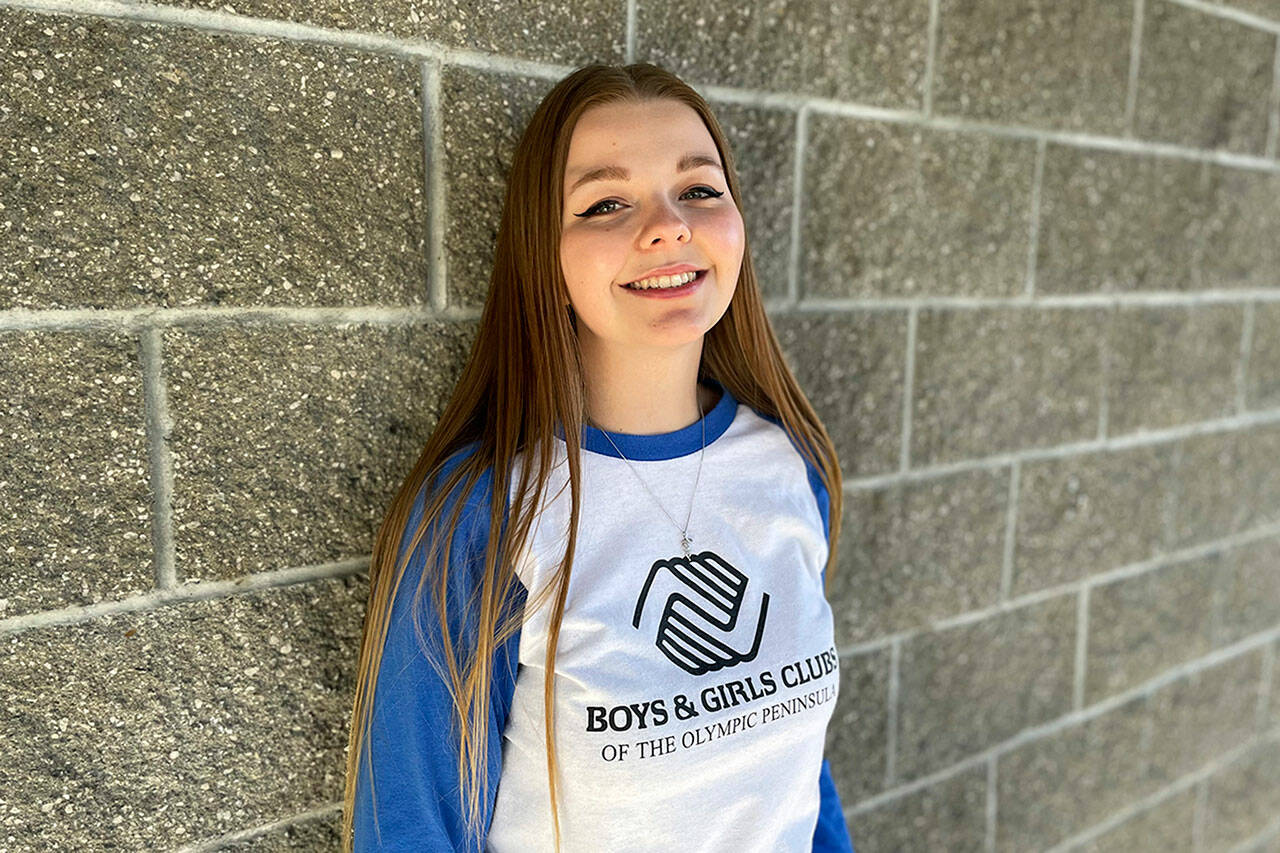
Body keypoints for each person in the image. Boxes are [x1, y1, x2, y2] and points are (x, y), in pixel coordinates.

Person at [343, 61, 856, 853]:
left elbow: (797, 778)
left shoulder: (791, 467)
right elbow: (410, 825)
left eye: (699, 190)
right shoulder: (485, 509)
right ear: (543, 252)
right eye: (607, 203)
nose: (668, 226)